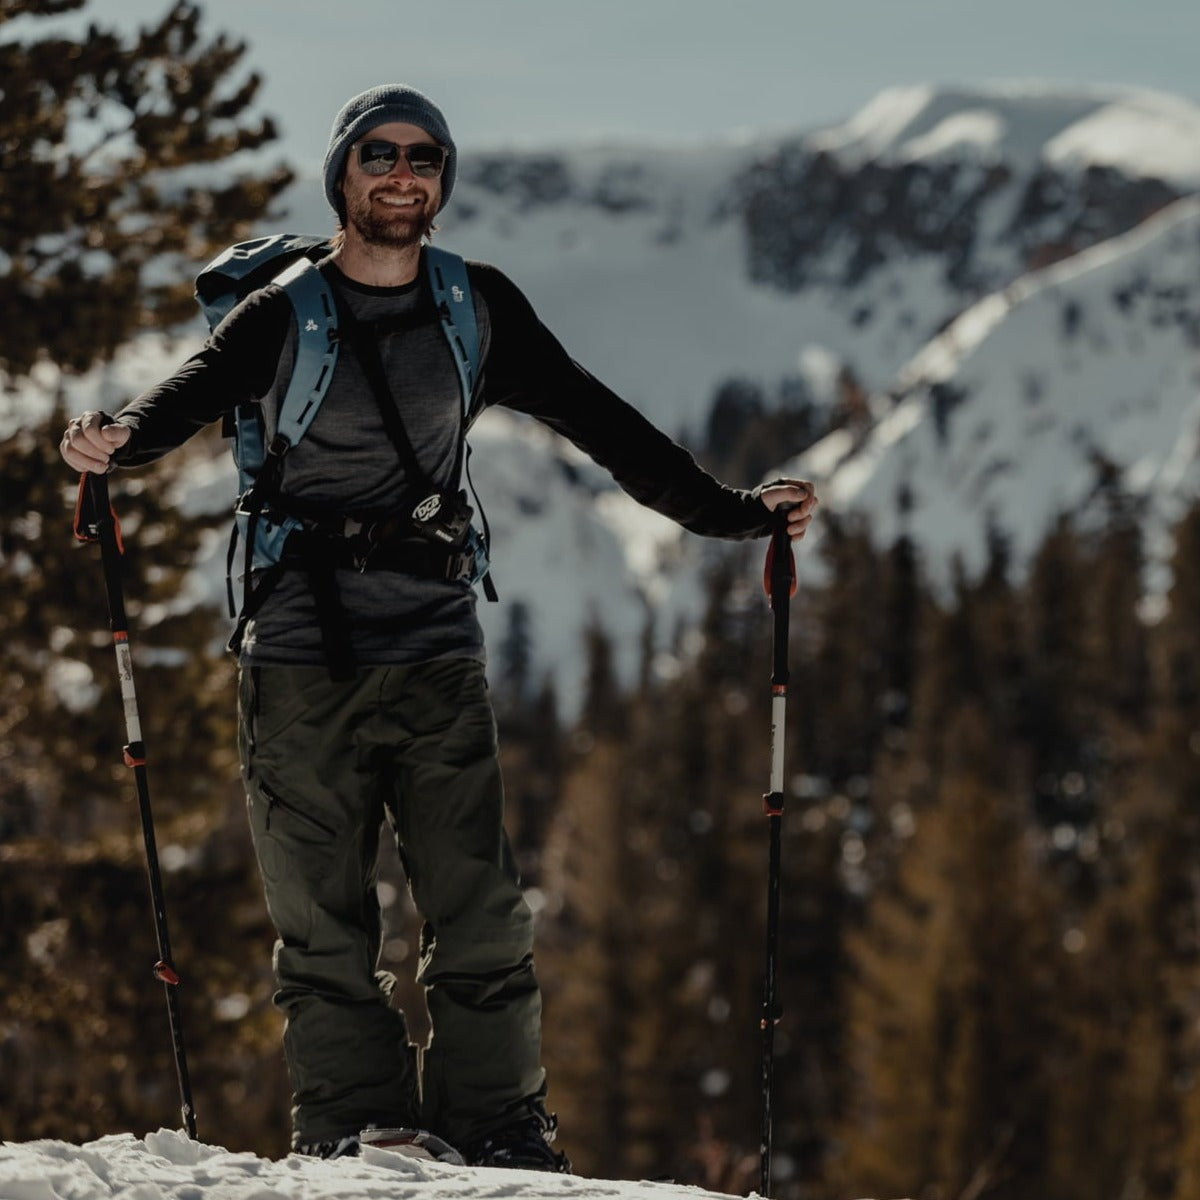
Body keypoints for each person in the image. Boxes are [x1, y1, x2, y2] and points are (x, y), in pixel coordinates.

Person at [60, 84, 819, 1171]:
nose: (402, 172)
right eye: (379, 154)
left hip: (433, 648)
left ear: (442, 181)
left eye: (423, 156)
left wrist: (740, 516)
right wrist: (110, 442)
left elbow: (606, 427)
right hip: (297, 657)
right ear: (344, 176)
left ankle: (498, 1128)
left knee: (480, 913)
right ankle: (348, 1128)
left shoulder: (479, 306)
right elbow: (174, 403)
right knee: (323, 927)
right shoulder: (283, 310)